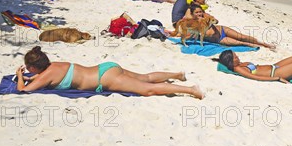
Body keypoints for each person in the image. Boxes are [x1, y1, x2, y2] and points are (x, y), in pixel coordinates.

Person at [15, 46, 203, 98]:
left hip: (104, 79)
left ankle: (192, 90)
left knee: (147, 89)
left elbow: (24, 90)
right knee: (145, 77)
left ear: (33, 68)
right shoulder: (54, 65)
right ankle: (177, 74)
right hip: (106, 67)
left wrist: (20, 76)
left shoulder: (45, 76)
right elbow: (42, 77)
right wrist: (30, 75)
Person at [178, 3, 276, 50]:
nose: (199, 13)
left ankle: (265, 44)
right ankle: (254, 45)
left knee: (243, 36)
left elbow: (216, 21)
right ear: (192, 13)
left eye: (200, 11)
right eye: (197, 12)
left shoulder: (206, 17)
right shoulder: (191, 24)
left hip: (223, 30)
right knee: (239, 42)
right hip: (218, 39)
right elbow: (185, 34)